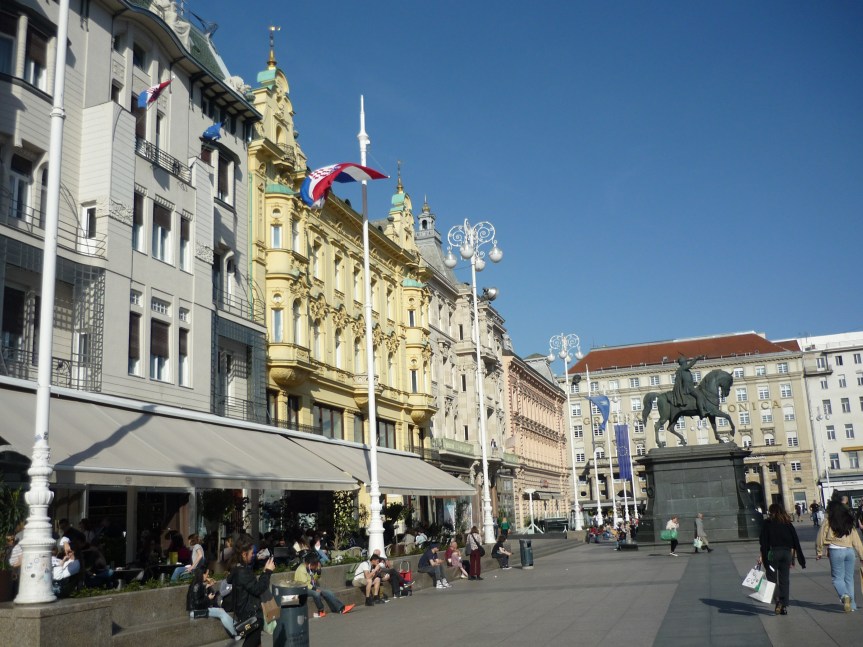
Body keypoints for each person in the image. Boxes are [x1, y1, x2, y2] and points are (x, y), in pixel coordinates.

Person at [816, 493, 863, 613]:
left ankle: (844, 596)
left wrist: (819, 551)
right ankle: (852, 605)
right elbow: (856, 539)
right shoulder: (848, 521)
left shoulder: (828, 521)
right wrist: (862, 555)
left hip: (836, 550)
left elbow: (820, 537)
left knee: (837, 578)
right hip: (849, 551)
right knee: (849, 579)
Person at [228, 533, 275, 647]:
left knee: (256, 642)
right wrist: (267, 572)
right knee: (251, 642)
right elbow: (258, 589)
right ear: (244, 554)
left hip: (248, 612)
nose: (253, 555)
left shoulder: (240, 569)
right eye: (251, 553)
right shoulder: (242, 572)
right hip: (251, 614)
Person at [759, 503, 806, 616]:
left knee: (772, 579)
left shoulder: (767, 523)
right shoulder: (787, 523)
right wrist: (794, 558)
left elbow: (763, 542)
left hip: (772, 554)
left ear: (771, 512)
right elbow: (795, 541)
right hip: (786, 554)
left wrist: (762, 556)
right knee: (785, 580)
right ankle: (784, 606)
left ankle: (778, 601)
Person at [186, 567, 238, 638]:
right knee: (221, 613)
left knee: (221, 611)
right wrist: (208, 598)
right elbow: (197, 603)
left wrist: (207, 587)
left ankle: (237, 626)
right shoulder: (197, 585)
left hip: (197, 610)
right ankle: (235, 633)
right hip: (195, 612)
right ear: (202, 574)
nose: (207, 576)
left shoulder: (197, 584)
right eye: (207, 574)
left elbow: (199, 597)